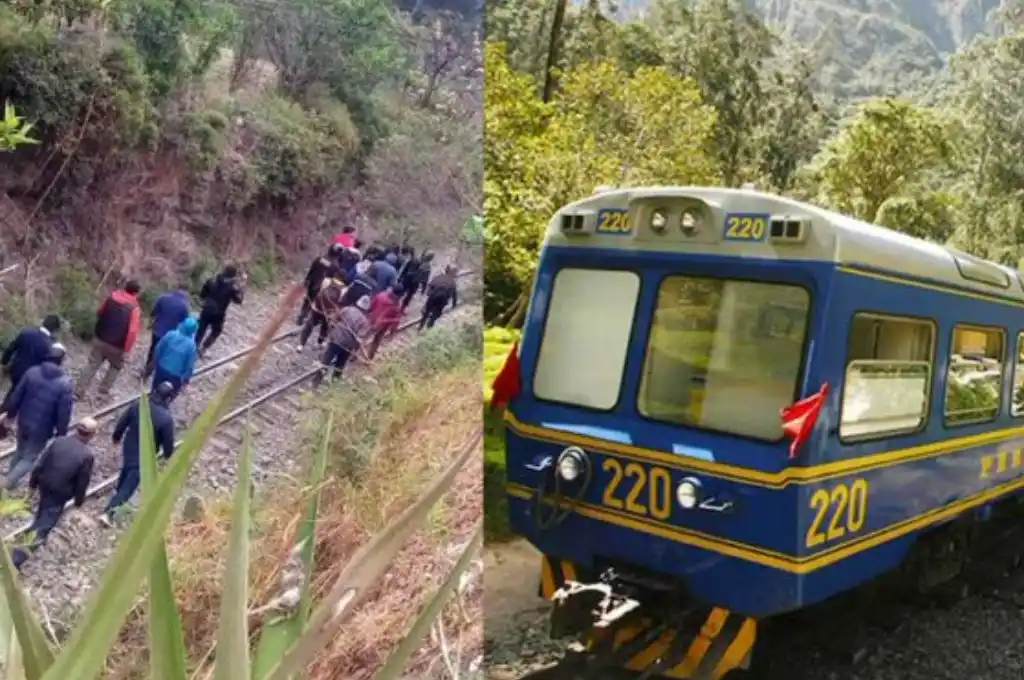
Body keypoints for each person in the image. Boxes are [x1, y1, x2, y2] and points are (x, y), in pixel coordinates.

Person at [99, 381, 176, 526]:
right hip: (145, 455)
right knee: (130, 485)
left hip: (129, 446)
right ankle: (109, 513)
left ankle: (117, 495)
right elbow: (168, 443)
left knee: (127, 470)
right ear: (169, 398)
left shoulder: (139, 404)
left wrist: (116, 436)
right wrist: (167, 455)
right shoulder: (166, 419)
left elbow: (123, 420)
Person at [0, 343, 73, 489]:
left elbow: (16, 397)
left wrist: (10, 416)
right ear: (61, 360)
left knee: (20, 449)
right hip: (43, 429)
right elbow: (63, 413)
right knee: (30, 457)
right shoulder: (64, 384)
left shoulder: (32, 372)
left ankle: (10, 479)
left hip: (23, 421)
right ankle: (7, 483)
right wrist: (61, 434)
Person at [27, 417, 96, 546]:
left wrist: (33, 484)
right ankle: (22, 551)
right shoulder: (87, 455)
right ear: (92, 435)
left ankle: (32, 534)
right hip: (59, 493)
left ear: (76, 429)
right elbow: (82, 482)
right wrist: (78, 501)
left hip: (44, 483)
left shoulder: (59, 441)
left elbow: (41, 463)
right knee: (46, 522)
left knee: (43, 510)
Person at [76, 279, 142, 399]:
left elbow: (100, 312)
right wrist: (127, 350)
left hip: (100, 338)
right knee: (116, 367)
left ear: (125, 287)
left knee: (92, 364)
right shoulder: (134, 308)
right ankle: (102, 391)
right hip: (117, 346)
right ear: (136, 293)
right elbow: (132, 332)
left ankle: (79, 390)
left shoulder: (111, 297)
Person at [0, 314, 60, 412]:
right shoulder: (50, 345)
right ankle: (5, 413)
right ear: (54, 329)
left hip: (16, 369)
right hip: (31, 377)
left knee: (13, 392)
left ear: (43, 322)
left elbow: (11, 347)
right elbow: (46, 365)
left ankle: (6, 411)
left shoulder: (27, 332)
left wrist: (4, 361)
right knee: (17, 398)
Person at [313, 296, 371, 388]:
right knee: (340, 364)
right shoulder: (364, 322)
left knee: (326, 360)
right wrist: (355, 350)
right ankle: (334, 383)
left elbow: (335, 319)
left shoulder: (347, 309)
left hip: (336, 339)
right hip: (348, 345)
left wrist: (331, 331)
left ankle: (316, 381)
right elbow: (360, 338)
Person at [196, 265, 245, 357]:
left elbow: (202, 295)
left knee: (201, 329)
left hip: (206, 309)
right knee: (216, 331)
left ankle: (195, 346)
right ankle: (204, 349)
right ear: (233, 276)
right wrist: (242, 286)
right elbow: (239, 300)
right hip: (219, 315)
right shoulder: (232, 288)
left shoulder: (211, 281)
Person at [144, 288, 191, 378]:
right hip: (170, 335)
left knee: (153, 347)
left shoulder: (163, 298)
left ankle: (148, 365)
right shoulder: (185, 307)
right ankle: (151, 369)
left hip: (157, 329)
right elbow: (184, 323)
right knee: (162, 352)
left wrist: (150, 323)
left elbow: (154, 312)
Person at [297, 267, 345, 351]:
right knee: (324, 328)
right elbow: (340, 303)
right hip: (328, 313)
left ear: (336, 274)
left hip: (317, 308)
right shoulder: (344, 290)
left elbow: (318, 290)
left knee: (309, 325)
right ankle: (319, 343)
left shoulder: (327, 281)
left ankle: (301, 344)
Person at [151, 316, 198, 401]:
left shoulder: (171, 334)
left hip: (161, 368)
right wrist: (186, 379)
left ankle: (150, 401)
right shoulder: (191, 345)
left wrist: (155, 362)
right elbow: (189, 365)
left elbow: (158, 349)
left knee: (155, 388)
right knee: (170, 395)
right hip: (176, 376)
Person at [299, 246, 340, 326]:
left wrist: (307, 279)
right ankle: (306, 316)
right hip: (321, 286)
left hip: (312, 282)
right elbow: (330, 280)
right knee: (314, 302)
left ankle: (302, 314)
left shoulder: (320, 258)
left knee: (308, 298)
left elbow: (312, 269)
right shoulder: (335, 266)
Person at [367, 285, 404, 359]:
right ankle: (370, 356)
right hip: (382, 325)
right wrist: (392, 332)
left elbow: (371, 306)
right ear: (399, 295)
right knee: (376, 340)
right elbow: (396, 320)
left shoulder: (381, 295)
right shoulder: (396, 305)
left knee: (365, 337)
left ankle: (359, 354)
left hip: (373, 320)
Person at [419, 265, 459, 331]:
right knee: (436, 315)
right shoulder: (453, 282)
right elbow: (454, 295)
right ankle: (429, 326)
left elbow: (431, 285)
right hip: (442, 301)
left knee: (426, 312)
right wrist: (454, 305)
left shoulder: (439, 277)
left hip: (433, 297)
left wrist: (429, 293)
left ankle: (420, 327)